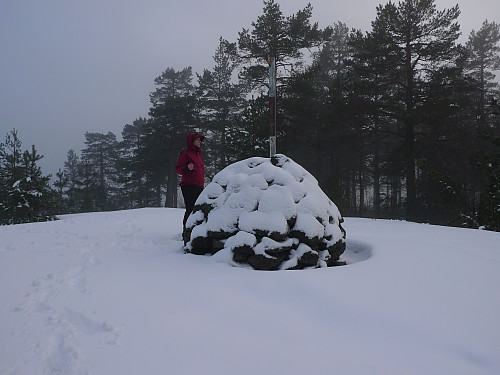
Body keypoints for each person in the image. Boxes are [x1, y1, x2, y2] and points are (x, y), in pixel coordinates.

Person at [175, 133, 205, 239]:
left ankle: (194, 231)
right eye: (197, 139)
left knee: (197, 209)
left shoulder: (199, 155)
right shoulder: (186, 153)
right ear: (192, 141)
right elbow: (178, 168)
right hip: (188, 185)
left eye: (200, 140)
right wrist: (187, 168)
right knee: (190, 208)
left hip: (199, 185)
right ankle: (186, 231)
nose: (199, 141)